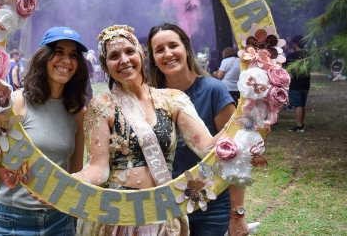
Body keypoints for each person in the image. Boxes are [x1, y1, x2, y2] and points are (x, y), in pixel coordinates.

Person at [73, 25, 224, 235]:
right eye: (114, 56)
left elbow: (207, 148)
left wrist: (247, 120)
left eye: (129, 51)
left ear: (141, 54)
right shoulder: (101, 106)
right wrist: (68, 184)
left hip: (162, 213)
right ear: (105, 66)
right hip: (117, 217)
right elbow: (98, 169)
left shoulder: (173, 99)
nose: (124, 60)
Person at [0, 26, 89, 236]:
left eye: (73, 55)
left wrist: (73, 223)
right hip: (11, 220)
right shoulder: (18, 102)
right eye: (59, 52)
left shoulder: (78, 112)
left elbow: (75, 174)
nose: (66, 60)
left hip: (59, 221)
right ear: (43, 57)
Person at [147, 23, 249, 236]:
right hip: (166, 205)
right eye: (159, 50)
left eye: (173, 45)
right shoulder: (148, 97)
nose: (168, 54)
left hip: (212, 205)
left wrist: (237, 213)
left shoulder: (213, 90)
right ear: (154, 59)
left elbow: (236, 153)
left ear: (186, 49)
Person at [285, 35, 310, 133]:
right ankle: (301, 124)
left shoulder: (291, 56)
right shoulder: (308, 55)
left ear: (295, 44)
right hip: (306, 83)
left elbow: (285, 68)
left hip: (295, 84)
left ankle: (299, 126)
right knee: (302, 105)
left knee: (297, 105)